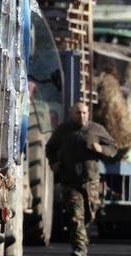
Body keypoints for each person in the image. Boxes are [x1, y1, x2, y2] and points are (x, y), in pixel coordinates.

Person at [46, 102, 118, 256]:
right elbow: (50, 147)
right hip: (70, 181)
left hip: (91, 182)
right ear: (72, 114)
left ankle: (81, 241)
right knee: (75, 217)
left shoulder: (96, 129)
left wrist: (102, 149)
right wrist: (54, 164)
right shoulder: (63, 130)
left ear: (88, 114)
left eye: (84, 113)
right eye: (78, 113)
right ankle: (80, 249)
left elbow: (113, 147)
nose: (82, 116)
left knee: (89, 216)